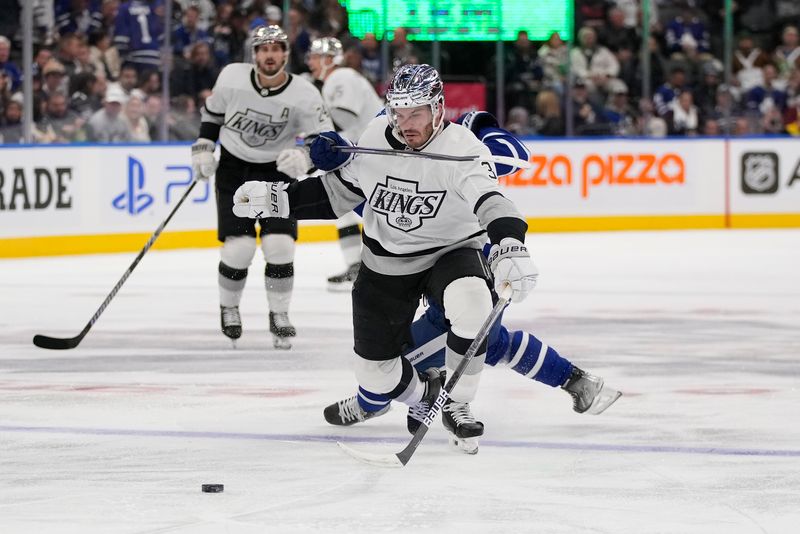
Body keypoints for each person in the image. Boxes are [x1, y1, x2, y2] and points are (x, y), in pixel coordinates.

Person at [231, 64, 538, 454]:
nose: (405, 123)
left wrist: (511, 243)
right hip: (385, 261)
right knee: (375, 376)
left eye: (416, 113)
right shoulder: (376, 135)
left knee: (474, 302)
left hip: (450, 252)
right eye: (398, 112)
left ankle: (457, 402)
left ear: (439, 109)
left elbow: (492, 202)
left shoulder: (463, 149)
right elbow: (337, 195)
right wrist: (277, 199)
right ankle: (426, 393)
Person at [191, 25, 333, 349]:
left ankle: (279, 315)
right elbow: (213, 116)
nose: (269, 55)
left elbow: (322, 141)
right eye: (263, 49)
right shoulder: (231, 77)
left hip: (276, 171)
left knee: (280, 246)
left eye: (276, 49)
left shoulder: (305, 94)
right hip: (234, 168)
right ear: (254, 54)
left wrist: (305, 158)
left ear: (285, 54)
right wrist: (203, 146)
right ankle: (229, 307)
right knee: (239, 248)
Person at [306, 36, 383, 291]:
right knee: (345, 208)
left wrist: (311, 148)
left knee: (367, 211)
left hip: (373, 155)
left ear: (330, 59)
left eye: (316, 58)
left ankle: (375, 267)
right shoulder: (335, 81)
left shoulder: (342, 77)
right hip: (364, 155)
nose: (311, 63)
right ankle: (356, 266)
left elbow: (343, 118)